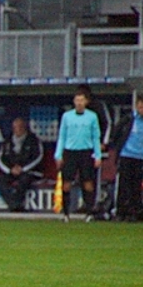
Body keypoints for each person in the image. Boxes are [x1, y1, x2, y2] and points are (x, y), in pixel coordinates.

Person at [55, 88, 102, 222]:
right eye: (77, 100)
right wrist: (58, 155)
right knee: (67, 183)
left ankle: (89, 212)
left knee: (87, 182)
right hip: (70, 153)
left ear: (86, 102)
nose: (79, 103)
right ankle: (66, 213)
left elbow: (95, 137)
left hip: (86, 153)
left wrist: (97, 155)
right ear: (74, 102)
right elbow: (62, 136)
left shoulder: (92, 116)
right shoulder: (67, 116)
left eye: (82, 100)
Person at [0, 117, 44, 213]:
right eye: (16, 127)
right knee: (0, 180)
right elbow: (0, 159)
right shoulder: (7, 141)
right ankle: (14, 205)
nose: (18, 129)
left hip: (29, 171)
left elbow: (38, 157)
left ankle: (15, 205)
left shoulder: (33, 140)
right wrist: (10, 170)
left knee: (24, 180)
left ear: (25, 127)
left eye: (20, 127)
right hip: (11, 171)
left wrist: (23, 169)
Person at [111, 95, 143, 221]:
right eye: (140, 107)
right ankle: (121, 211)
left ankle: (135, 211)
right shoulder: (129, 119)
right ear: (137, 107)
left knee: (136, 185)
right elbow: (117, 132)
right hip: (126, 155)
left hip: (140, 156)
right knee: (124, 184)